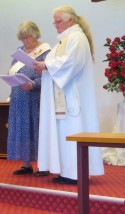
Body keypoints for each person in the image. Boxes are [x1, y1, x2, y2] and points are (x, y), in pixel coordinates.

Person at [33, 5, 104, 184]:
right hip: (62, 95)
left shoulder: (77, 38)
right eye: (54, 22)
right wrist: (45, 66)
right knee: (64, 133)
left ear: (70, 20)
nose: (55, 25)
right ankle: (67, 171)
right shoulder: (64, 40)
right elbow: (57, 62)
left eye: (58, 21)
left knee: (73, 131)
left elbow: (71, 63)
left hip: (72, 96)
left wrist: (47, 66)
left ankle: (75, 173)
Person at [7, 20, 51, 176]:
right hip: (19, 97)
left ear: (35, 34)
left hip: (36, 97)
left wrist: (34, 85)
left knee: (37, 129)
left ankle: (43, 165)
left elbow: (50, 75)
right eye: (23, 38)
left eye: (28, 37)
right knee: (22, 130)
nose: (25, 41)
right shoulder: (19, 51)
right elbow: (13, 70)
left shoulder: (45, 51)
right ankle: (26, 164)